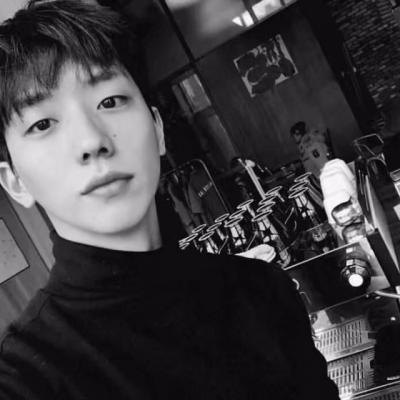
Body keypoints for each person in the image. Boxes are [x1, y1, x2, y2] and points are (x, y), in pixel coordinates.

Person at [0, 1, 339, 399]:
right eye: (42, 124)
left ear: (158, 130)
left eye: (110, 101)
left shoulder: (261, 290)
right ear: (15, 182)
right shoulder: (27, 378)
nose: (92, 141)